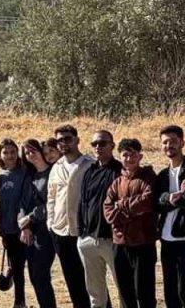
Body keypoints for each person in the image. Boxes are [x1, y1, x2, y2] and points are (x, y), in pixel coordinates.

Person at [103, 139, 156, 308]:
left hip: (143, 242)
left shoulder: (148, 178)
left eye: (133, 154)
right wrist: (131, 212)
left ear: (140, 156)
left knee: (144, 292)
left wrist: (121, 205)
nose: (129, 158)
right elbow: (108, 211)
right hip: (120, 243)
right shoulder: (117, 182)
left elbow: (147, 202)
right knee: (125, 292)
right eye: (125, 155)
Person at [46, 124, 93, 308]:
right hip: (60, 231)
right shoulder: (56, 166)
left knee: (92, 281)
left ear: (77, 140)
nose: (64, 143)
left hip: (82, 231)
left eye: (68, 139)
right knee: (72, 281)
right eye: (60, 140)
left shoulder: (90, 165)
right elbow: (51, 196)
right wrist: (51, 222)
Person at [157, 125, 185, 308]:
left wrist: (168, 199)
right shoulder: (162, 174)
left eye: (173, 141)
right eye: (165, 142)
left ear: (182, 142)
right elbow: (156, 201)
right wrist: (172, 197)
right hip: (166, 239)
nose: (169, 145)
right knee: (170, 291)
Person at [77, 130, 120, 308]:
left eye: (102, 143)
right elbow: (83, 202)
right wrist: (82, 234)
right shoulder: (90, 171)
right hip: (88, 239)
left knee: (123, 288)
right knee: (95, 294)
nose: (98, 147)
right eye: (94, 144)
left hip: (112, 240)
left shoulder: (120, 170)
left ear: (112, 145)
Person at [18, 139, 57, 308]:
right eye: (26, 153)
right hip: (30, 230)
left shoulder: (53, 173)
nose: (30, 155)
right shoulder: (30, 175)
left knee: (41, 273)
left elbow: (53, 204)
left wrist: (30, 218)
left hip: (47, 230)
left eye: (33, 150)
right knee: (34, 274)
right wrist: (24, 225)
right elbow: (22, 202)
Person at [0, 139, 28, 308]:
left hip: (23, 228)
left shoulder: (24, 173)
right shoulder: (1, 177)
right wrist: (1, 230)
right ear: (0, 155)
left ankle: (20, 300)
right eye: (5, 152)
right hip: (8, 230)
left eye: (13, 152)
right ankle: (19, 301)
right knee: (15, 267)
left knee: (24, 266)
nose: (9, 155)